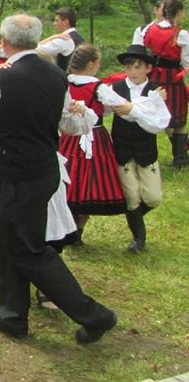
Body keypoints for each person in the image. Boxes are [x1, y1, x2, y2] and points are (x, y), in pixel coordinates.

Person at [0, 14, 117, 344]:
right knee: (12, 242)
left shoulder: (0, 76)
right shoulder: (56, 75)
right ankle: (12, 315)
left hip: (19, 173)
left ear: (4, 40)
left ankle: (94, 315)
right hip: (44, 169)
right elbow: (68, 122)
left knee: (28, 249)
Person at [59, 44, 128, 244]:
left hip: (69, 136)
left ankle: (70, 227)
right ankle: (77, 229)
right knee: (90, 181)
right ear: (91, 64)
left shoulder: (65, 82)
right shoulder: (99, 87)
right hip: (93, 135)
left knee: (70, 177)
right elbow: (116, 106)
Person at [109, 45, 171, 253]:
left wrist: (133, 109)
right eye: (129, 67)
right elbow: (110, 109)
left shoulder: (155, 90)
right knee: (132, 195)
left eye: (137, 66)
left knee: (153, 197)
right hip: (122, 149)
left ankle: (132, 216)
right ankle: (139, 238)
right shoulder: (116, 89)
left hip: (146, 150)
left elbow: (158, 122)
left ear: (148, 68)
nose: (133, 71)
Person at [141, 0, 189, 166]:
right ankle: (181, 158)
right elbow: (186, 61)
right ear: (179, 12)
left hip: (154, 76)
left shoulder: (150, 29)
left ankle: (176, 155)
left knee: (161, 113)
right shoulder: (180, 34)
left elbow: (144, 46)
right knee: (179, 119)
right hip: (173, 77)